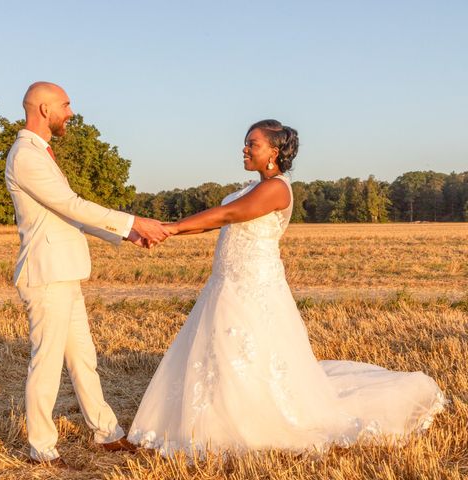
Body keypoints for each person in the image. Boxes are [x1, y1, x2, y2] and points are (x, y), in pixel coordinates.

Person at [128, 119, 445, 457]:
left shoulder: (277, 188)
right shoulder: (254, 187)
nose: (245, 149)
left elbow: (227, 214)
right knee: (218, 352)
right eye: (246, 143)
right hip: (225, 283)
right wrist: (162, 230)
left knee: (245, 350)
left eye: (253, 143)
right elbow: (217, 222)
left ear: (273, 152)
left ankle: (245, 424)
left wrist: (172, 228)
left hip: (253, 286)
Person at [5, 82, 167, 466]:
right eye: (66, 104)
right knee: (46, 363)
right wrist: (133, 220)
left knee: (84, 358)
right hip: (46, 276)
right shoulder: (26, 156)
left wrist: (128, 234)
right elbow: (72, 205)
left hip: (65, 273)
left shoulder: (41, 154)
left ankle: (105, 432)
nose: (71, 112)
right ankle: (41, 448)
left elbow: (66, 214)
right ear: (44, 109)